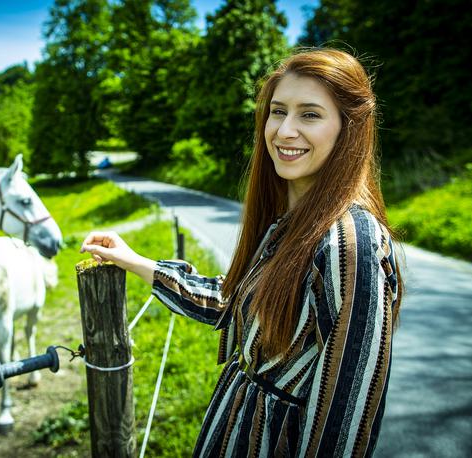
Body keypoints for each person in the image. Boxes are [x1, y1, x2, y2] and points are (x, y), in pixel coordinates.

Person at [81, 48, 403, 457]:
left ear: (349, 128)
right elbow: (234, 305)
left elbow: (348, 416)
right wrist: (137, 262)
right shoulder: (290, 223)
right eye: (277, 111)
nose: (285, 131)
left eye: (310, 114)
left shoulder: (349, 242)